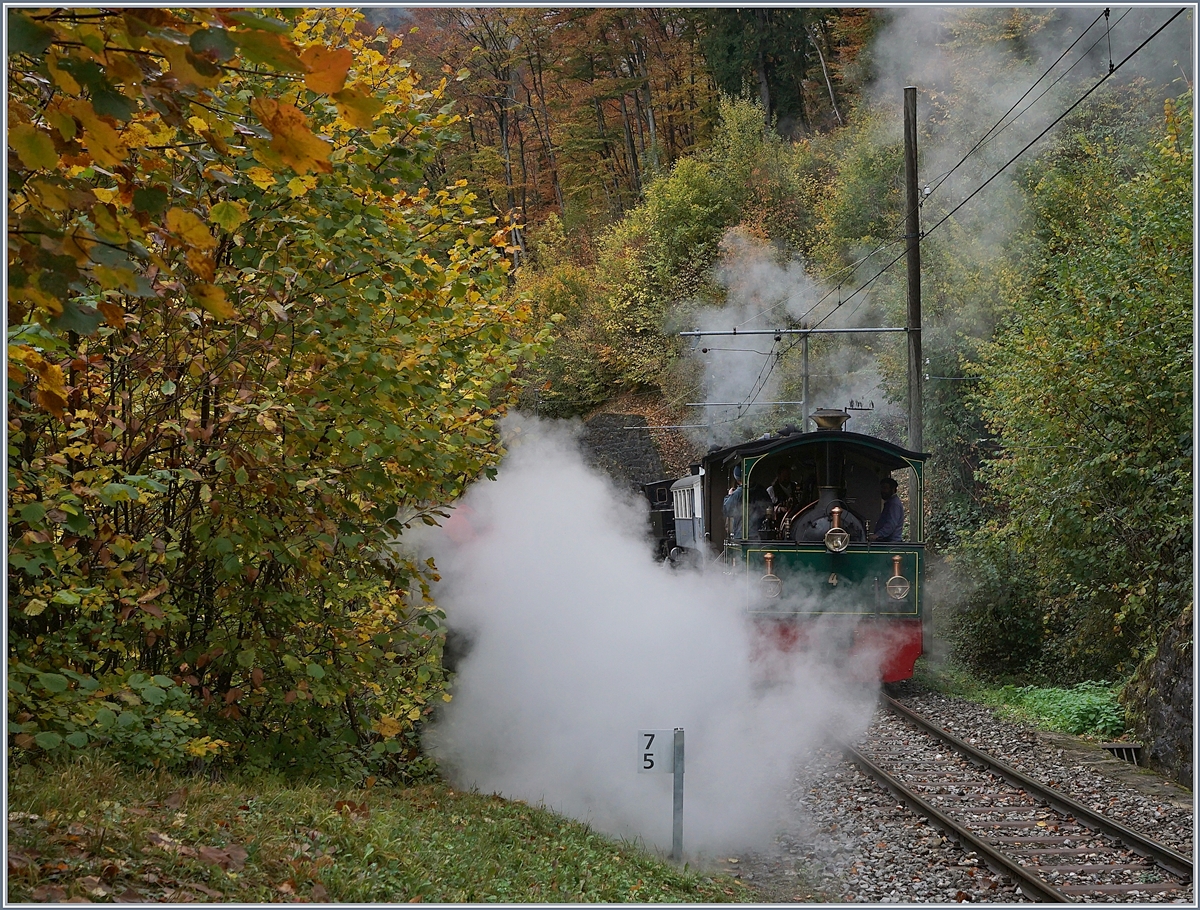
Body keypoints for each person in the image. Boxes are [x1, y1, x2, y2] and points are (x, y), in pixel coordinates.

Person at [870, 477, 904, 542]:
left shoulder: (894, 504)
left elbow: (891, 524)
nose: (882, 491)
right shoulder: (890, 502)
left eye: (885, 488)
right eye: (881, 488)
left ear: (893, 489)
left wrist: (877, 535)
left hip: (891, 543)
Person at [723, 465, 744, 539]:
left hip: (741, 533)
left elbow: (727, 510)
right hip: (758, 534)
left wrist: (729, 496)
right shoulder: (760, 489)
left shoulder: (737, 493)